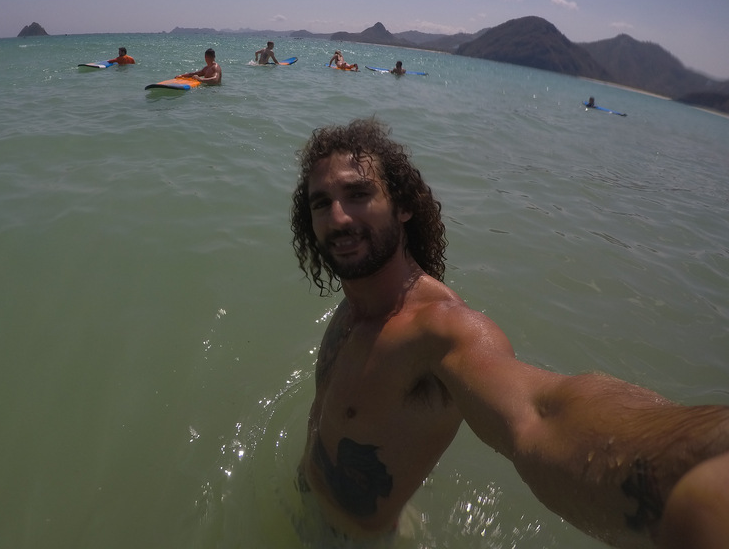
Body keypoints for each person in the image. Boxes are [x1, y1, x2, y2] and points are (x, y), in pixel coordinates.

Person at [290, 117, 728, 548]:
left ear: (403, 206)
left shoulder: (441, 331)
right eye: (321, 203)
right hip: (309, 501)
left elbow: (540, 417)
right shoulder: (357, 306)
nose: (339, 217)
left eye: (359, 194)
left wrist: (691, 472)